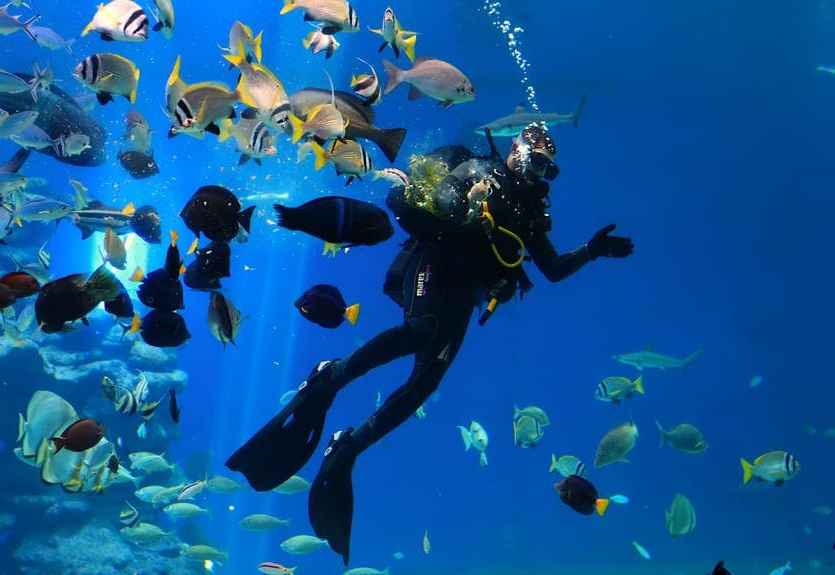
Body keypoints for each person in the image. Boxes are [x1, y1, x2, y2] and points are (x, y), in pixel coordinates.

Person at [226, 124, 634, 564]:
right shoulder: (478, 168)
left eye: (547, 170)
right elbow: (410, 200)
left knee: (424, 384)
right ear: (515, 149)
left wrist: (590, 250)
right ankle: (331, 376)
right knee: (420, 330)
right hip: (434, 265)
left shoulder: (529, 214)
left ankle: (349, 446)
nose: (537, 174)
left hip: (466, 291)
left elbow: (551, 268)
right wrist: (461, 201)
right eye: (534, 161)